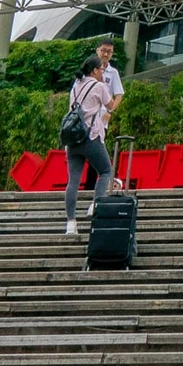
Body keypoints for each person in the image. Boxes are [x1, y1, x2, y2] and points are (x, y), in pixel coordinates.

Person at [62, 39, 124, 238]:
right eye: (100, 69)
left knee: (73, 181)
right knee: (106, 171)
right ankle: (95, 205)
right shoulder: (99, 87)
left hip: (72, 141)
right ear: (96, 70)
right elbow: (111, 105)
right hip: (91, 137)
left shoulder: (75, 86)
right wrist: (112, 103)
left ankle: (71, 223)